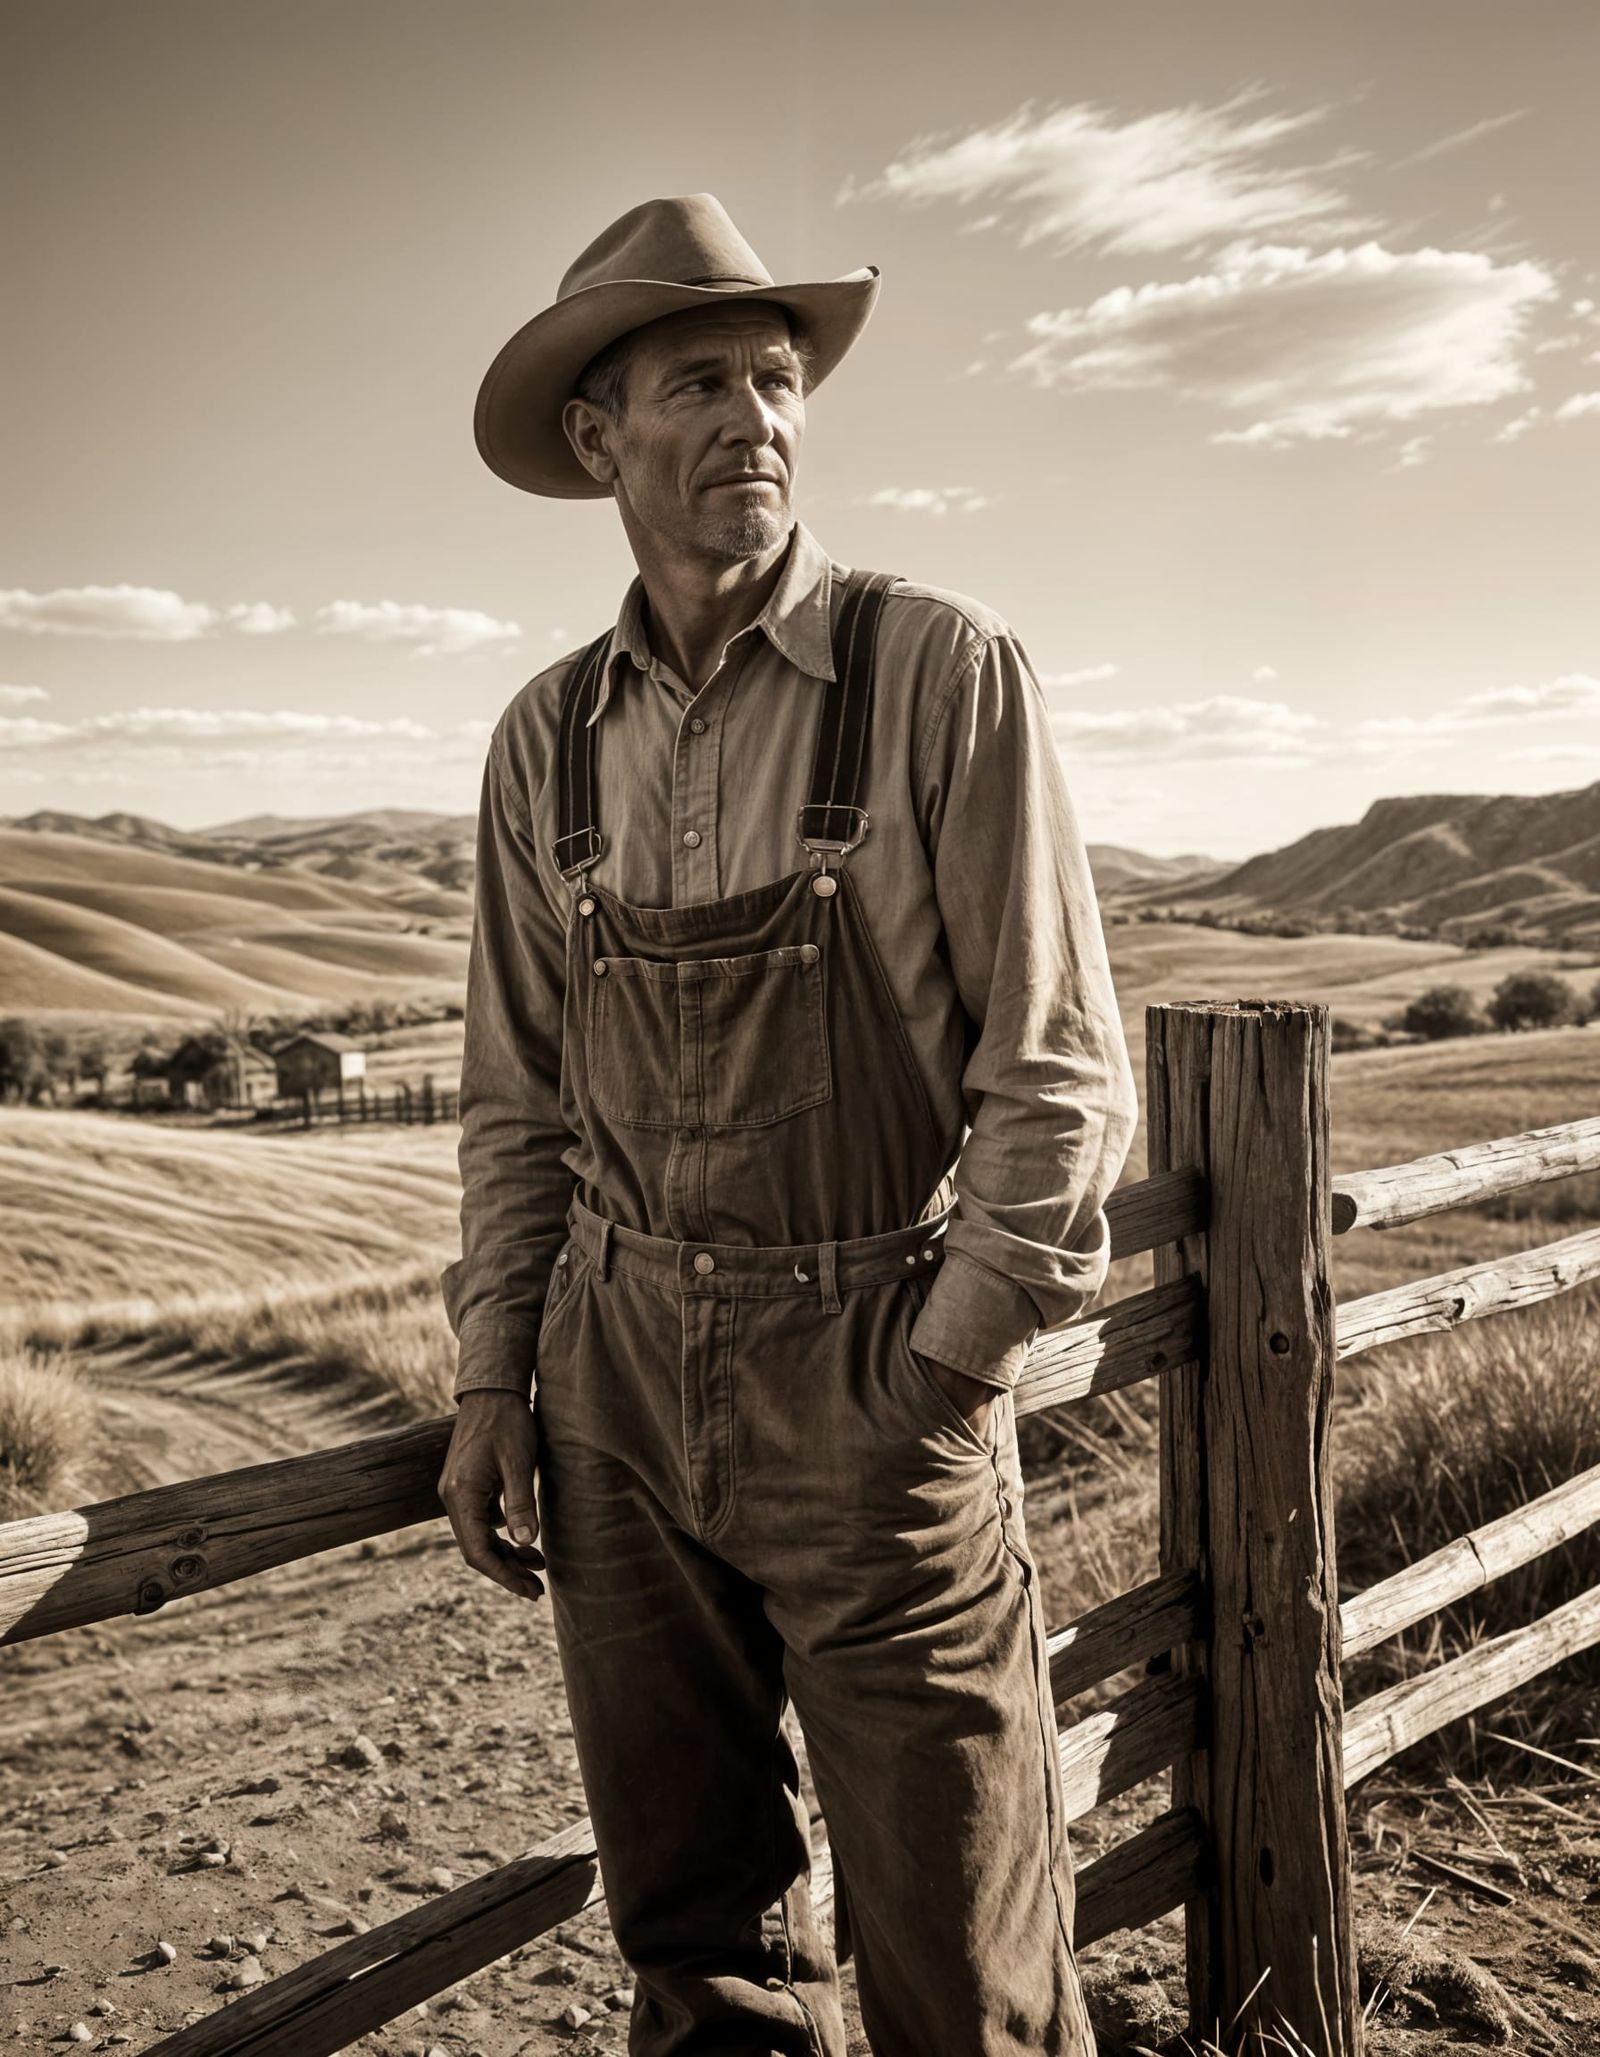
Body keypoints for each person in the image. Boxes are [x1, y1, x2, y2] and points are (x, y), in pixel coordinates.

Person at [438, 192, 1138, 2057]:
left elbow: (1062, 1071)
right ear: (599, 440)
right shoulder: (541, 740)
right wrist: (501, 1379)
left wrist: (937, 1374)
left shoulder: (934, 671)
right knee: (698, 1938)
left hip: (873, 1372)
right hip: (616, 1394)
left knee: (965, 1950)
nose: (755, 414)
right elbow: (516, 1102)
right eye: (700, 382)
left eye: (776, 377)